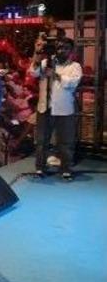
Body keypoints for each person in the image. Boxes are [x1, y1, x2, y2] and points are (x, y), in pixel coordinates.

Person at [29, 36, 82, 180]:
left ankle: (66, 169)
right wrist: (37, 53)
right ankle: (40, 168)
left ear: (71, 50)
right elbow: (33, 72)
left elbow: (72, 83)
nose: (61, 50)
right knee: (41, 141)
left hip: (64, 110)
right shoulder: (46, 62)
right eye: (59, 47)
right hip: (44, 108)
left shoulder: (74, 66)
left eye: (65, 48)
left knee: (65, 142)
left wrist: (55, 75)